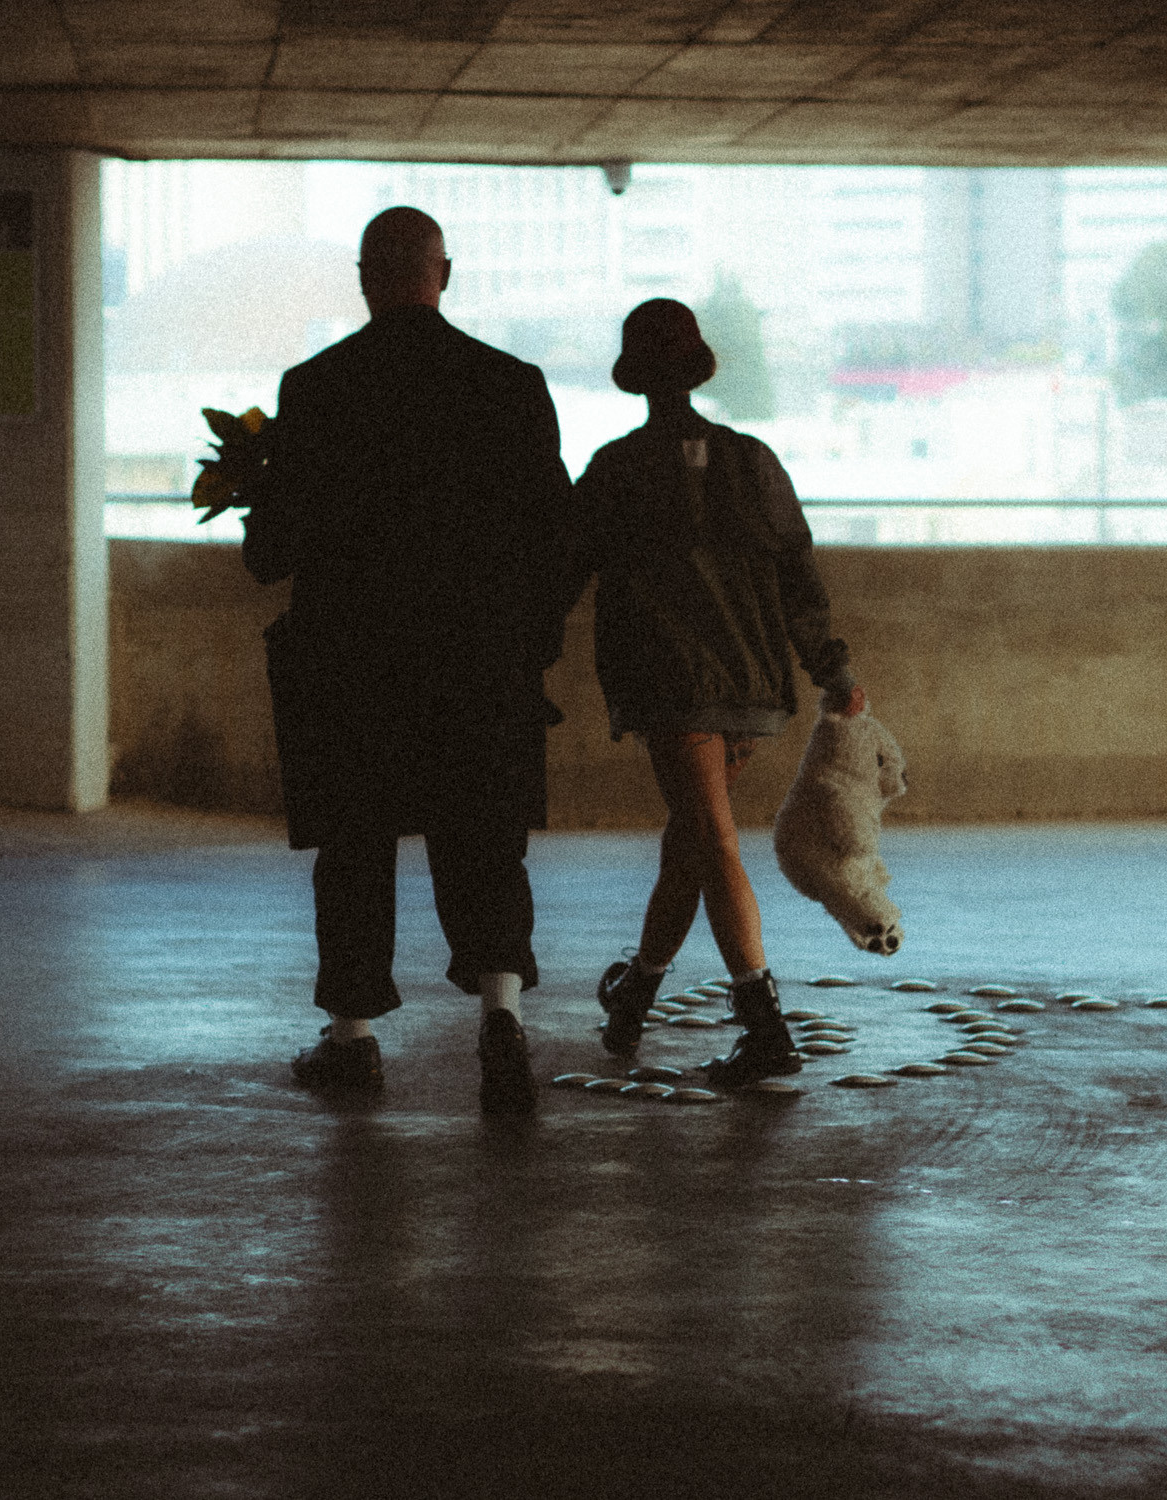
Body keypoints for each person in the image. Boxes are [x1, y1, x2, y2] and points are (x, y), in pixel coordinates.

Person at [242, 207, 576, 1115]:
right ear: (445, 273)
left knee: (354, 847)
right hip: (480, 663)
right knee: (486, 841)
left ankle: (353, 1041)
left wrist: (253, 501)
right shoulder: (511, 385)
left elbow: (273, 551)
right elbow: (557, 535)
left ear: (364, 279)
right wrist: (530, 646)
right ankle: (501, 1016)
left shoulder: (316, 387)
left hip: (353, 666)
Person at [569, 298, 864, 1087]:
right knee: (694, 839)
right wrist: (832, 671)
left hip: (671, 686)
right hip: (753, 688)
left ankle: (764, 1026)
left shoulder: (616, 469)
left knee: (711, 839)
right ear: (698, 371)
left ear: (636, 379)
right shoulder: (753, 460)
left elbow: (559, 572)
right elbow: (798, 574)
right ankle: (635, 995)